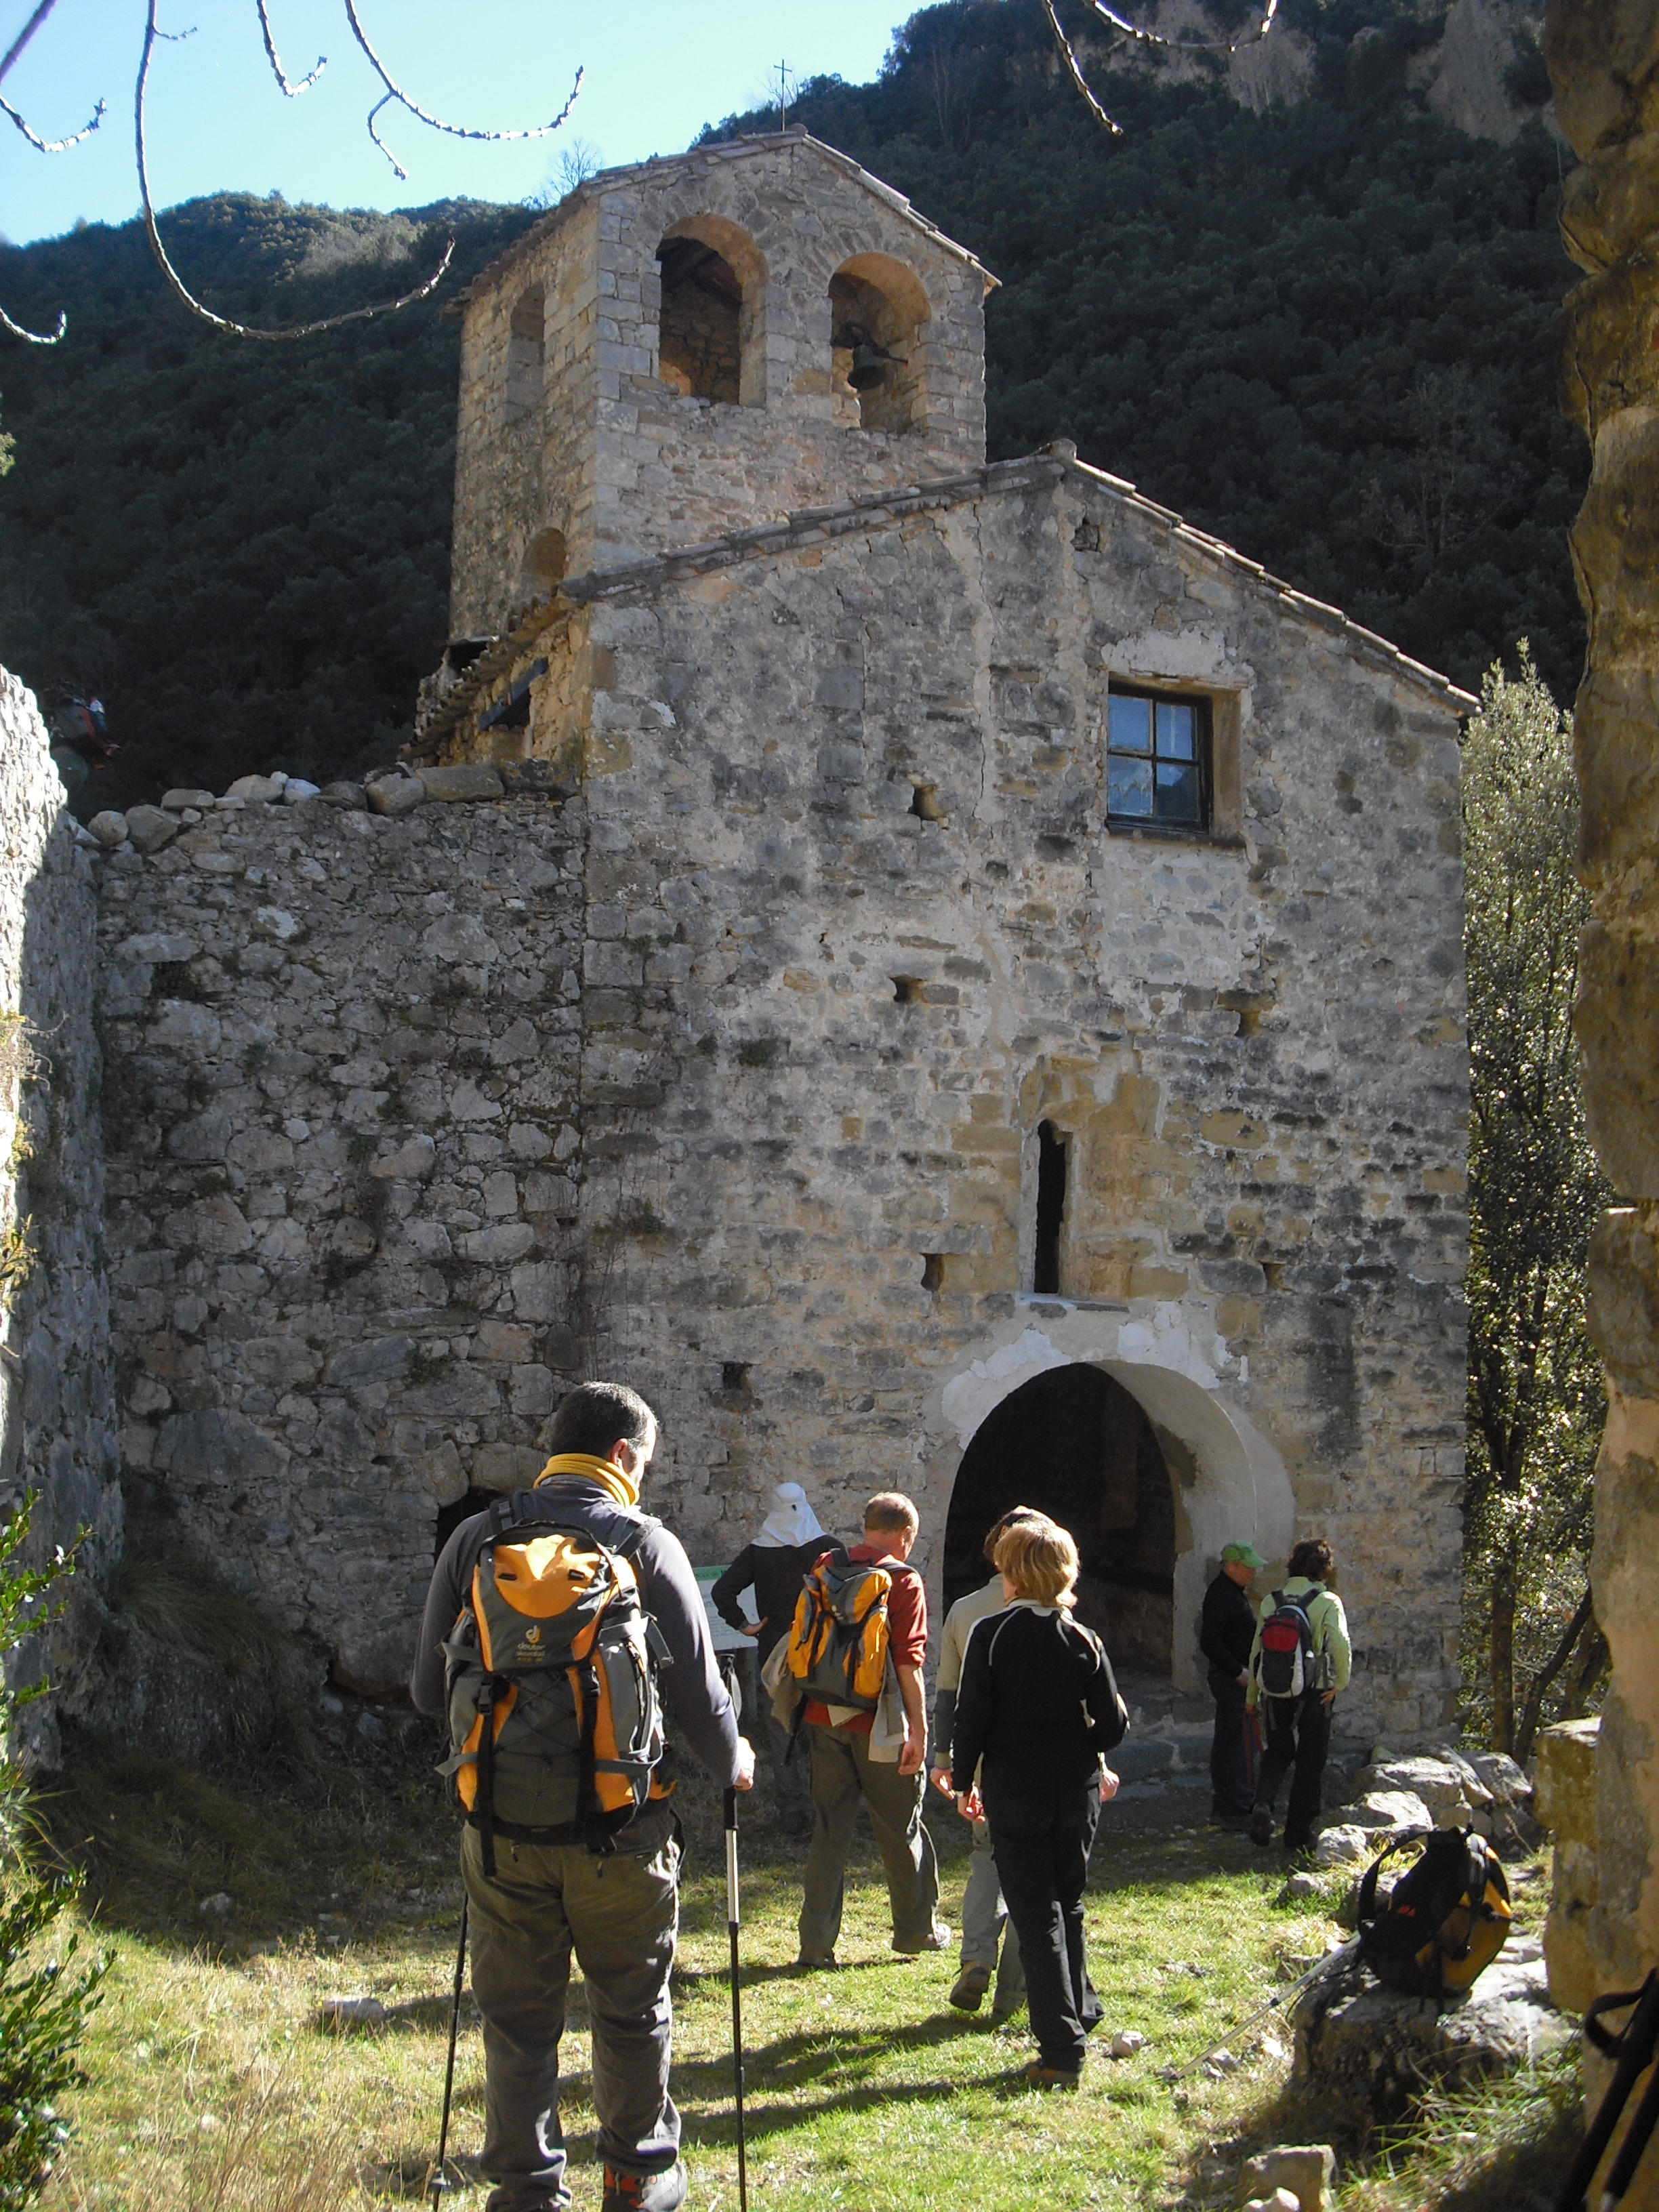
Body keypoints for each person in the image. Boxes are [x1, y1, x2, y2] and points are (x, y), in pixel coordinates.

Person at [410, 1380, 756, 2212]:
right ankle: (637, 2177)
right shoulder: (645, 1541)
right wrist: (735, 1757)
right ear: (625, 1456)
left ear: (554, 1443)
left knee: (517, 2021)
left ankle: (526, 2189)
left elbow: (426, 1691)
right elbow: (704, 1702)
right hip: (622, 1832)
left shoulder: (475, 1537)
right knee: (631, 2007)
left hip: (500, 1831)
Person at [949, 1515, 1127, 2087]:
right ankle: (1082, 2010)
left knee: (1035, 1915)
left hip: (1016, 1787)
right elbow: (1113, 1724)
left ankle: (1060, 2051)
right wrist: (1082, 1747)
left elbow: (970, 1718)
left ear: (1013, 1572)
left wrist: (962, 1780)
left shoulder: (993, 1634)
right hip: (1074, 1788)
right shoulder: (1084, 1639)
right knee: (1067, 1903)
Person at [796, 1490, 947, 1969]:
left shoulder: (826, 1564)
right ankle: (915, 1931)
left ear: (866, 1527)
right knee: (900, 1826)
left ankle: (815, 1944)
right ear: (904, 1535)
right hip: (881, 1723)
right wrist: (921, 1733)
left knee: (829, 1828)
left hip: (823, 1715)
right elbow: (909, 1665)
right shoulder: (903, 1580)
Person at [928, 1506, 1041, 2016]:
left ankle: (975, 1957)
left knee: (986, 1860)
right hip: (1040, 1762)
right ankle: (1014, 1991)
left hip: (982, 1762)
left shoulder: (964, 1610)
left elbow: (947, 1692)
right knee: (1035, 1874)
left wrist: (944, 1757)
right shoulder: (1051, 1609)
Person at [710, 1482, 834, 1837]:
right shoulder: (828, 1549)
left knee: (783, 1737)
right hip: (821, 1656)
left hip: (775, 1656)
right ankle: (828, 1813)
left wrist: (746, 1627)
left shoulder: (758, 1553)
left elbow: (722, 1592)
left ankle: (794, 1815)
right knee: (823, 1737)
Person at [1246, 1536, 1352, 1852]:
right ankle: (1297, 1834)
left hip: (1275, 1691)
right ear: (1324, 1570)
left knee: (1277, 1752)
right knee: (1310, 1760)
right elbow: (1341, 1644)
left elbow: (1256, 1654)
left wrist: (1252, 1698)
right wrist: (1340, 1683)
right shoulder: (1328, 1602)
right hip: (1314, 1693)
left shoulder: (1271, 1601)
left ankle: (1263, 1803)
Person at [1200, 1540, 1265, 1829]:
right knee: (1238, 1744)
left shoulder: (1232, 1592)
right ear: (1232, 1566)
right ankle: (1236, 1808)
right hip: (1231, 1680)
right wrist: (1237, 1671)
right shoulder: (1221, 1595)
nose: (1253, 1573)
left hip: (1235, 1677)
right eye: (1248, 1567)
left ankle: (1228, 1806)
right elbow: (1210, 1642)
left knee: (1229, 1741)